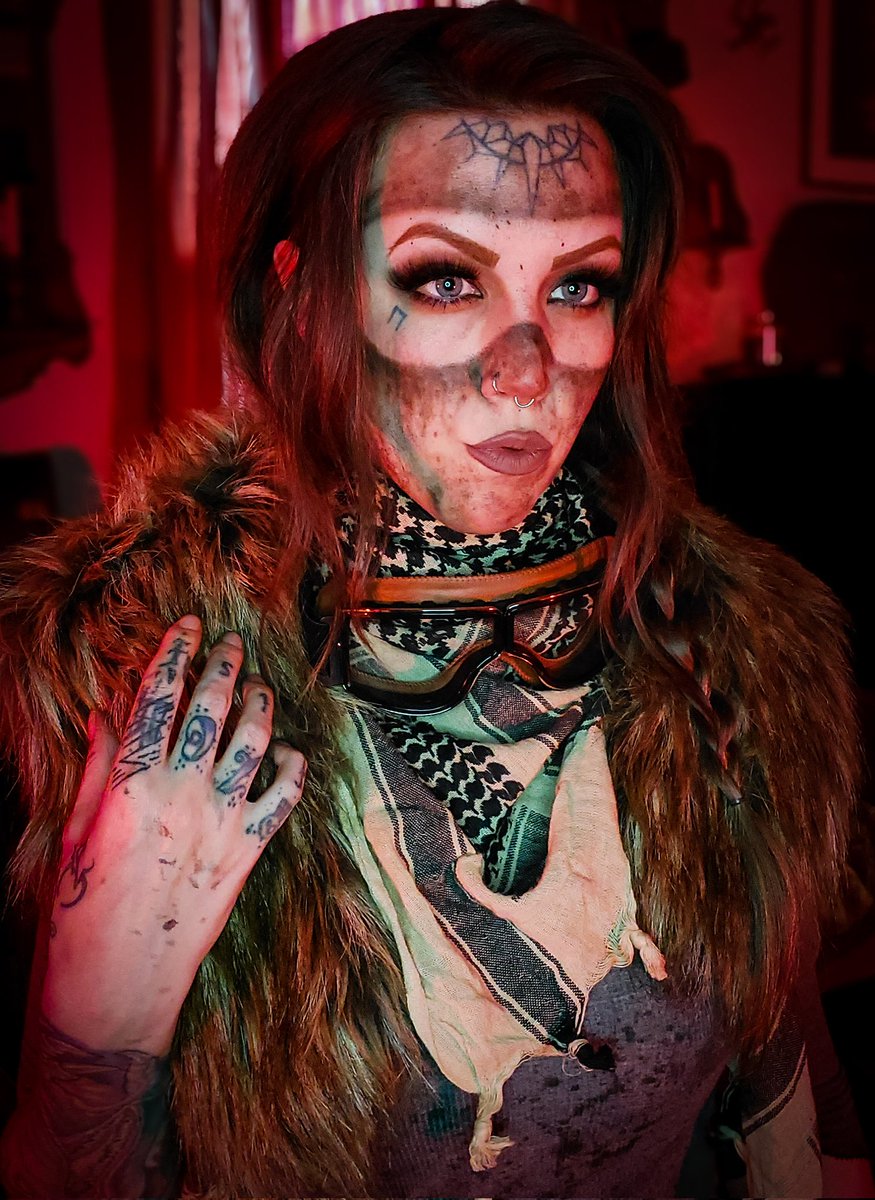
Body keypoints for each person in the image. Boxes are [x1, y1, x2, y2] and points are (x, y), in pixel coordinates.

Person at [0, 3, 871, 1196]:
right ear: (301, 295)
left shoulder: (731, 635)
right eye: (446, 276)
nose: (526, 368)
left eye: (579, 286)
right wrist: (98, 1011)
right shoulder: (124, 679)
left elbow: (793, 1089)